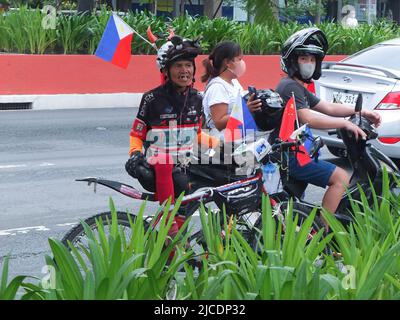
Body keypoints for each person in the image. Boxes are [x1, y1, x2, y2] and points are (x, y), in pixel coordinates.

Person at [274, 27, 381, 227]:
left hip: (295, 151)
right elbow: (307, 117)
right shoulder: (289, 87)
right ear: (292, 61)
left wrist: (362, 112)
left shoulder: (296, 86)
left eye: (312, 60)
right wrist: (345, 123)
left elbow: (328, 107)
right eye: (304, 59)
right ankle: (324, 232)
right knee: (340, 178)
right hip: (290, 155)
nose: (309, 64)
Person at [125, 35, 219, 235]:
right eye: (178, 66)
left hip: (186, 168)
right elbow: (137, 134)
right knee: (165, 161)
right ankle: (170, 224)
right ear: (166, 70)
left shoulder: (197, 99)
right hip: (157, 167)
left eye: (188, 65)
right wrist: (134, 153)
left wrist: (225, 145)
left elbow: (197, 136)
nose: (184, 71)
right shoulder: (151, 98)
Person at [201, 41, 262, 137]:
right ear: (228, 62)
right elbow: (219, 123)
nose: (242, 63)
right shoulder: (217, 87)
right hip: (223, 146)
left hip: (238, 141)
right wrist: (245, 110)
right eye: (239, 59)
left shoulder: (234, 83)